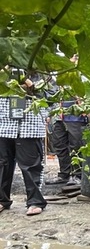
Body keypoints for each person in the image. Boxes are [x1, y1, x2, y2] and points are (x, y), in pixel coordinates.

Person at [0, 70, 49, 216]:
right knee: (2, 163)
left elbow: (48, 96)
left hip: (29, 124)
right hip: (3, 123)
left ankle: (35, 201)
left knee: (31, 165)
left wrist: (30, 85)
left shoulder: (41, 70)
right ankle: (2, 199)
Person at [45, 96, 88, 186]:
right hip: (58, 117)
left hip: (76, 117)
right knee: (59, 145)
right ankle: (64, 174)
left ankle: (77, 175)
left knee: (76, 146)